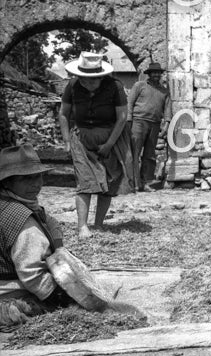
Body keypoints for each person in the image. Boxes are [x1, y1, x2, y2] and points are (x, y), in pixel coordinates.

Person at [59, 52, 135, 239]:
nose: (87, 83)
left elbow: (122, 118)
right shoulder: (72, 86)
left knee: (108, 182)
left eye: (92, 80)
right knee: (84, 182)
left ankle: (99, 223)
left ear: (101, 76)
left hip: (109, 136)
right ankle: (82, 226)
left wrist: (109, 144)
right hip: (82, 138)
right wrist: (67, 140)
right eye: (83, 79)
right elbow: (63, 113)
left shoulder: (114, 87)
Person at [0, 144, 73, 330]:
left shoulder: (7, 203)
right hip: (9, 298)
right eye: (26, 179)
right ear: (7, 182)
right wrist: (64, 299)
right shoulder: (21, 218)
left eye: (38, 176)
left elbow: (48, 220)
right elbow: (32, 275)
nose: (36, 184)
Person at [128, 61, 171, 192]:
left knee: (150, 155)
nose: (156, 75)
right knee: (135, 152)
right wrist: (129, 121)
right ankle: (134, 183)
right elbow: (130, 103)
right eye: (154, 73)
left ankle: (146, 182)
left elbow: (167, 109)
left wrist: (167, 123)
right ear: (149, 74)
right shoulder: (139, 86)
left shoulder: (164, 91)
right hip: (138, 121)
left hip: (155, 123)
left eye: (158, 73)